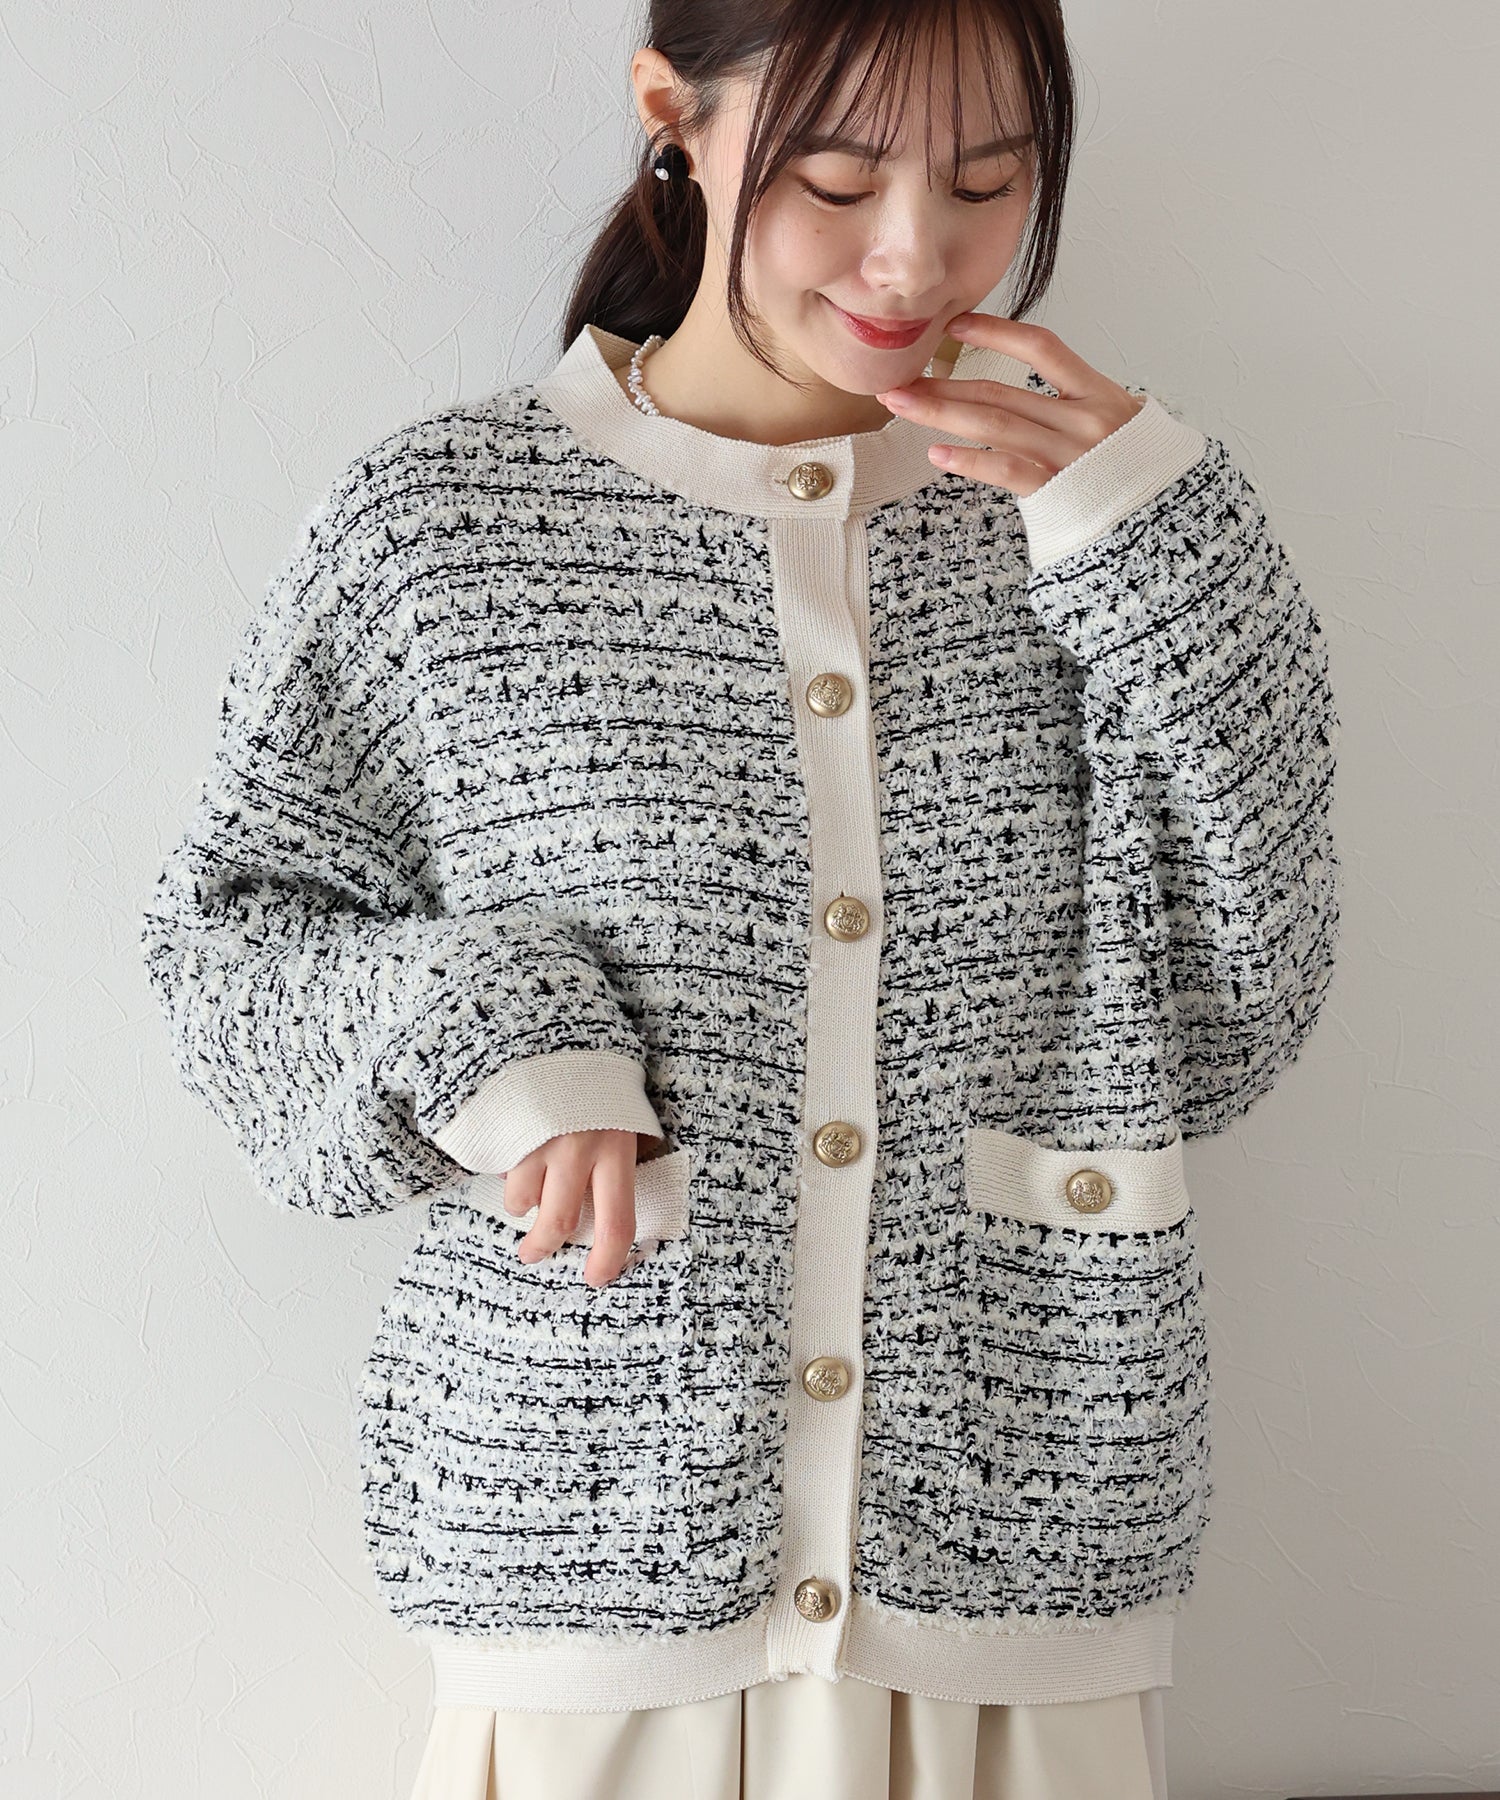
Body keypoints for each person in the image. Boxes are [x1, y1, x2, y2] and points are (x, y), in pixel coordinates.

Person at [137, 0, 1342, 1795]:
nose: (915, 256)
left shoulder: (1091, 530)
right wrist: (501, 1033)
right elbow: (232, 946)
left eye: (989, 182)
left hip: (1014, 1589)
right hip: (592, 1586)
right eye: (838, 181)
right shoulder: (448, 526)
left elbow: (1240, 1007)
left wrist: (1167, 550)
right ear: (673, 117)